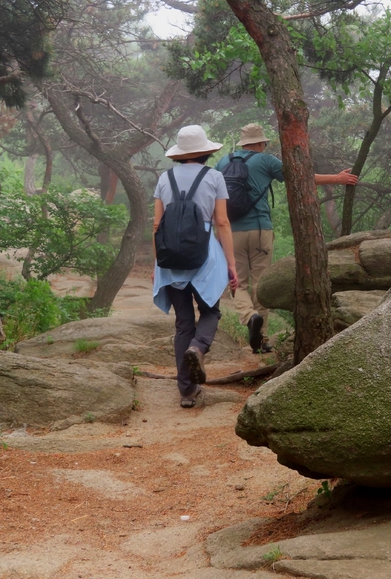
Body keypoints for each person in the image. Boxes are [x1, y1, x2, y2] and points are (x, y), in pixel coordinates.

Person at [215, 123, 358, 354]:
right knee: (261, 284)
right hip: (260, 230)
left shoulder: (222, 162)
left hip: (230, 232)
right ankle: (261, 341)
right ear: (261, 143)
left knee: (238, 283)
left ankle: (249, 316)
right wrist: (337, 178)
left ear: (242, 143)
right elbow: (302, 178)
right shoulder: (266, 161)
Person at [153, 125, 238, 409]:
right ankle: (198, 347)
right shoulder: (214, 177)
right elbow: (223, 222)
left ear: (179, 154)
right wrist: (231, 264)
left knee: (183, 323)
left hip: (170, 260)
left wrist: (159, 263)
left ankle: (187, 392)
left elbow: (157, 224)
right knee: (211, 310)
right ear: (205, 152)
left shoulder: (164, 178)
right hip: (205, 258)